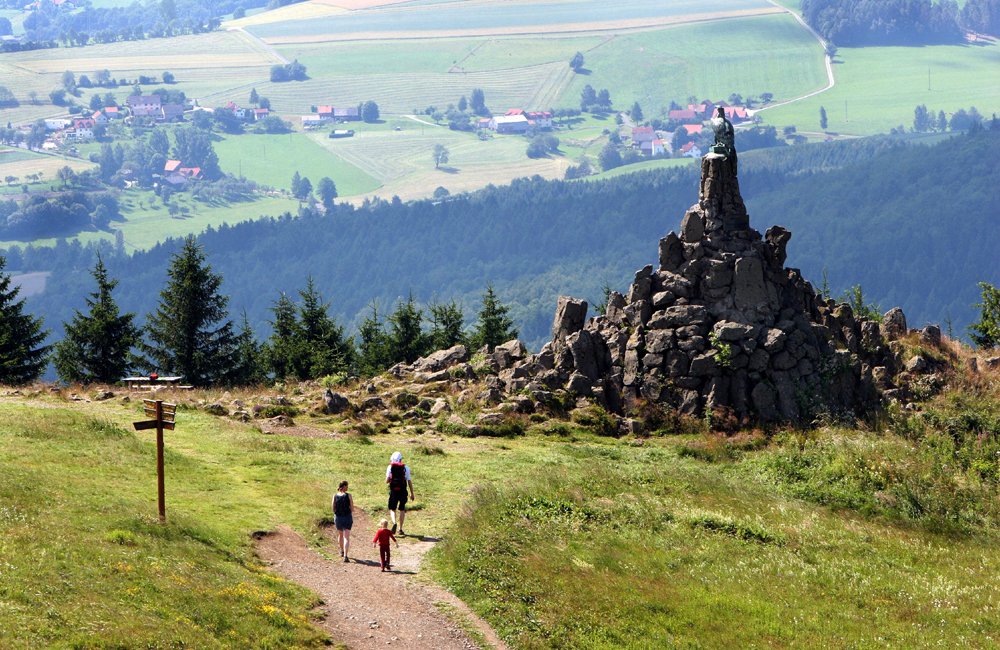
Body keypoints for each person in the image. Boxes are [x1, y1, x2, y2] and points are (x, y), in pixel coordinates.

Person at [385, 451, 414, 535]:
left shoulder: (390, 467)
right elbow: (409, 481)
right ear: (400, 459)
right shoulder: (405, 467)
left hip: (394, 490)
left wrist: (391, 479)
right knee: (402, 509)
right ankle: (400, 529)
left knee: (392, 508)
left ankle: (394, 522)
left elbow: (387, 481)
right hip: (403, 490)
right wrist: (412, 493)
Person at [332, 480, 353, 562]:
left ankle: (342, 551)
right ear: (344, 486)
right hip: (347, 517)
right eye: (346, 486)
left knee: (341, 535)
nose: (347, 487)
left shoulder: (335, 496)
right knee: (346, 537)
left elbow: (333, 509)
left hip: (338, 517)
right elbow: (352, 508)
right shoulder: (348, 496)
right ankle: (346, 556)